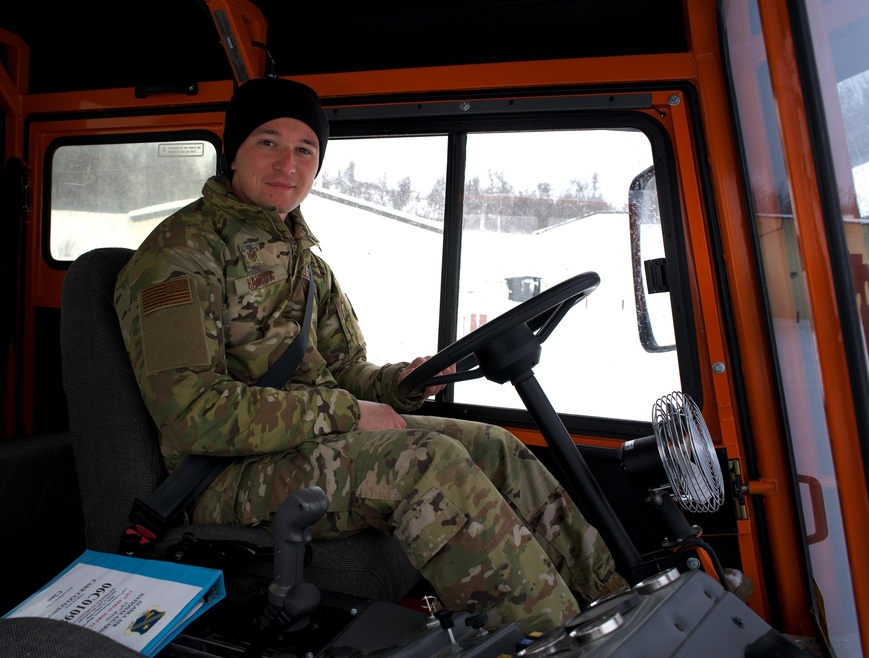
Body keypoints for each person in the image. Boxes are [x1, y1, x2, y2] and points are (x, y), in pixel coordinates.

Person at [114, 75, 626, 634]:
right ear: (233, 152)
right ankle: (549, 639)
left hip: (307, 447)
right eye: (268, 141)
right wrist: (348, 414)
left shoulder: (307, 267)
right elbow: (195, 417)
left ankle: (613, 608)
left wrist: (399, 384)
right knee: (428, 460)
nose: (288, 162)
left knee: (493, 444)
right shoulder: (178, 258)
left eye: (305, 149)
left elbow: (342, 373)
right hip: (223, 476)